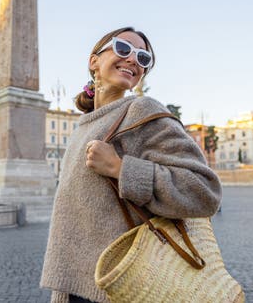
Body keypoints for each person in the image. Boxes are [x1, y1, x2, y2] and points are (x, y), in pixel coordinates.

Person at [40, 27, 222, 303]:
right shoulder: (83, 126)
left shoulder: (141, 111)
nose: (134, 60)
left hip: (119, 287)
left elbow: (204, 192)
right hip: (75, 288)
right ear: (94, 62)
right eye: (123, 48)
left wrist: (121, 169)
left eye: (143, 58)